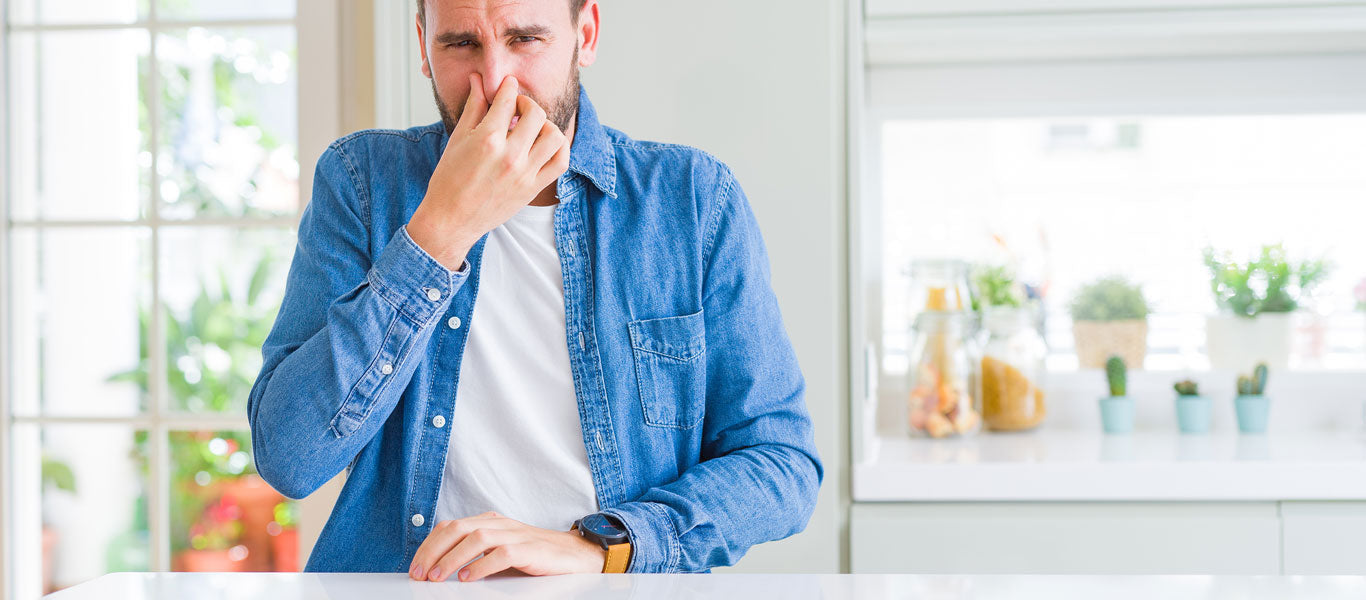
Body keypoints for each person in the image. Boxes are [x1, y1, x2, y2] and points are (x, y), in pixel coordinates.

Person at [247, 0, 821, 582]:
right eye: (460, 44)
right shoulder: (360, 181)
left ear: (585, 34)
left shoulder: (693, 200)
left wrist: (598, 548)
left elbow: (782, 465)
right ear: (423, 45)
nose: (495, 81)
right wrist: (440, 234)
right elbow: (290, 459)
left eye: (525, 39)